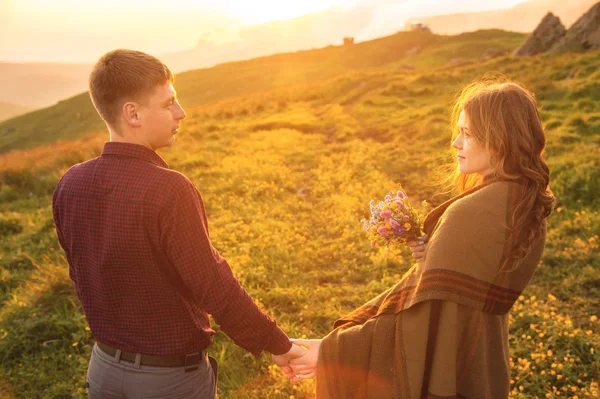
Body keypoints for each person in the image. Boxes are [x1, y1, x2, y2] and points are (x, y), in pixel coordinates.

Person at [52, 49, 304, 399]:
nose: (181, 113)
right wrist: (277, 344)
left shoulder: (70, 183)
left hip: (103, 371)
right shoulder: (170, 190)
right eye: (169, 103)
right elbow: (213, 284)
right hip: (168, 382)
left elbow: (81, 275)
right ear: (133, 113)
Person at [286, 79, 555, 398]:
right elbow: (460, 294)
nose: (455, 143)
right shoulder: (523, 203)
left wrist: (333, 351)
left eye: (467, 133)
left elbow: (418, 318)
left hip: (444, 371)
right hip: (482, 363)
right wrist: (432, 258)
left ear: (499, 140)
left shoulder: (472, 214)